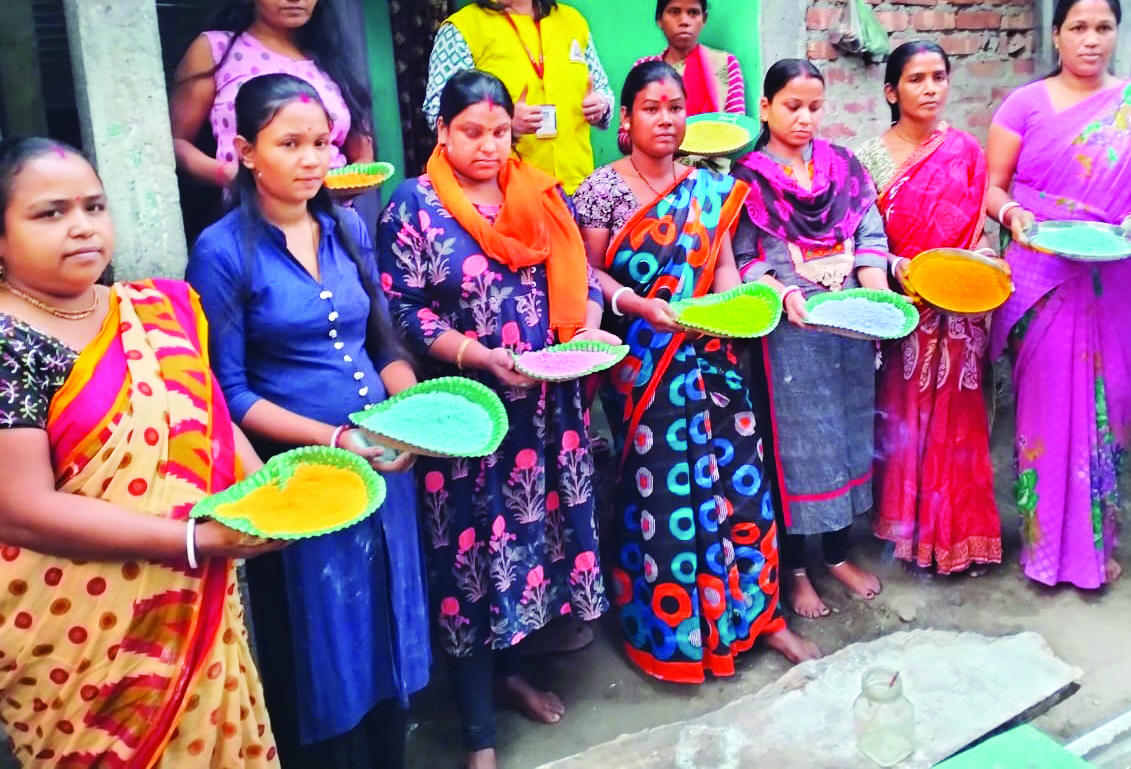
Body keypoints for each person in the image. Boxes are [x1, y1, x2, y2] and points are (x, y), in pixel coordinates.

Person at [0, 137, 281, 766]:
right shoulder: (7, 343)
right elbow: (19, 510)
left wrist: (273, 499)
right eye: (50, 213)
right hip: (79, 642)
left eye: (94, 206)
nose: (82, 227)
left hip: (194, 606)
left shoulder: (155, 309)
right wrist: (193, 541)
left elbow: (211, 423)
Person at [187, 74, 431, 768]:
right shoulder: (223, 250)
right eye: (289, 143)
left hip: (383, 463)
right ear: (245, 151)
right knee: (323, 640)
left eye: (321, 142)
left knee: (388, 616)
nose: (312, 158)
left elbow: (383, 343)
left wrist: (408, 418)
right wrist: (336, 440)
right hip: (303, 479)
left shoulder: (346, 227)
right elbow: (229, 392)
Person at [379, 70, 613, 769]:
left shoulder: (536, 192)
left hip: (545, 409)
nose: (488, 145)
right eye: (472, 131)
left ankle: (513, 674)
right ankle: (477, 730)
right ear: (442, 131)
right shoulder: (413, 206)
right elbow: (402, 310)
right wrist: (480, 354)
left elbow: (580, 276)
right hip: (469, 417)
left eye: (500, 131)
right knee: (470, 566)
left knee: (529, 551)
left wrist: (586, 328)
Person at [574, 61, 820, 681]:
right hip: (644, 364)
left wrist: (734, 314)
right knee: (665, 497)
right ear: (625, 118)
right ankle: (675, 636)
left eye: (676, 108)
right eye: (651, 108)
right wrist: (636, 304)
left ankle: (761, 619)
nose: (666, 119)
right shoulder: (601, 190)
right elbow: (588, 275)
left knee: (741, 487)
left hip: (713, 359)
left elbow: (723, 269)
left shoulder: (710, 187)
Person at [986, 0, 1131, 590]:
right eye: (1078, 27)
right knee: (1045, 412)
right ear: (1057, 35)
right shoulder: (1024, 104)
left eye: (1103, 27)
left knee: (1113, 404)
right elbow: (993, 187)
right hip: (1041, 274)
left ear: (1116, 33)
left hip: (1113, 272)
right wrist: (1013, 215)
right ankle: (1045, 550)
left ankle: (1097, 547)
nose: (1091, 40)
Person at [731, 59, 890, 618]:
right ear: (766, 107)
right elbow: (743, 257)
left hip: (850, 329)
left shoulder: (843, 166)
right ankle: (797, 571)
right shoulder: (747, 179)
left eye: (815, 107)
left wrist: (876, 292)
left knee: (846, 437)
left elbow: (870, 231)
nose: (805, 118)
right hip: (790, 339)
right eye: (792, 106)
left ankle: (838, 555)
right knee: (798, 450)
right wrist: (780, 294)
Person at [854, 41, 1003, 575]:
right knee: (904, 421)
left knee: (960, 423)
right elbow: (862, 240)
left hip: (960, 312)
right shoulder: (868, 158)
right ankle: (910, 536)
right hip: (905, 306)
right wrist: (898, 269)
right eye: (916, 79)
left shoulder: (965, 151)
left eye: (939, 76)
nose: (931, 88)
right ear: (892, 92)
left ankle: (961, 537)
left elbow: (975, 231)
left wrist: (985, 259)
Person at [169, 0, 375, 239]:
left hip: (334, 227)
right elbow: (175, 144)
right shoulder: (215, 50)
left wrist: (342, 184)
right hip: (251, 227)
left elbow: (362, 151)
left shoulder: (329, 56)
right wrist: (231, 175)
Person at [422, 0, 613, 194]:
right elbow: (438, 112)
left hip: (578, 189)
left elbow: (602, 89)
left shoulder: (572, 21)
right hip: (503, 193)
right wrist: (504, 125)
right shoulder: (462, 29)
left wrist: (601, 105)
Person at [632, 0, 746, 117]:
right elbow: (627, 126)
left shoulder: (725, 65)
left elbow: (736, 125)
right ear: (659, 19)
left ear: (704, 19)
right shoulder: (643, 68)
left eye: (693, 12)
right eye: (674, 12)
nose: (684, 21)